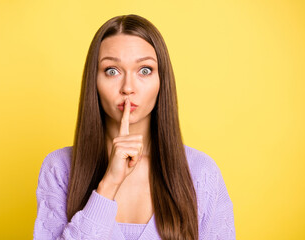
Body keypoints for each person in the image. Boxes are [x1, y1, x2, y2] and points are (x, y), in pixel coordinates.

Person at [33, 14, 235, 240]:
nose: (128, 87)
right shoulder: (59, 169)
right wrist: (109, 184)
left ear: (161, 81)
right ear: (94, 82)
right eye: (112, 71)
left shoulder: (201, 173)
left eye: (145, 70)